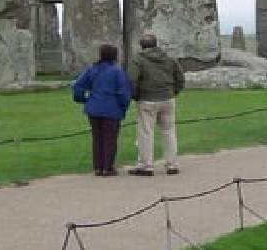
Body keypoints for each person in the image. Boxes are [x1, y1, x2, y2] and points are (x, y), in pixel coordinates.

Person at [127, 33, 185, 176]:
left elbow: (132, 80)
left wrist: (135, 96)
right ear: (156, 44)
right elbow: (180, 78)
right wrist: (173, 92)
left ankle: (146, 165)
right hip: (167, 98)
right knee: (169, 131)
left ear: (142, 45)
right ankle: (172, 164)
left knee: (145, 132)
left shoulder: (138, 59)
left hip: (147, 98)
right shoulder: (169, 59)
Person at [71, 44, 131, 177]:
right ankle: (107, 167)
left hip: (94, 107)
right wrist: (123, 107)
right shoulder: (117, 71)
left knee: (97, 138)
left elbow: (77, 86)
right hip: (112, 108)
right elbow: (124, 93)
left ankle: (98, 166)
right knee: (110, 138)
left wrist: (82, 99)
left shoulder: (92, 69)